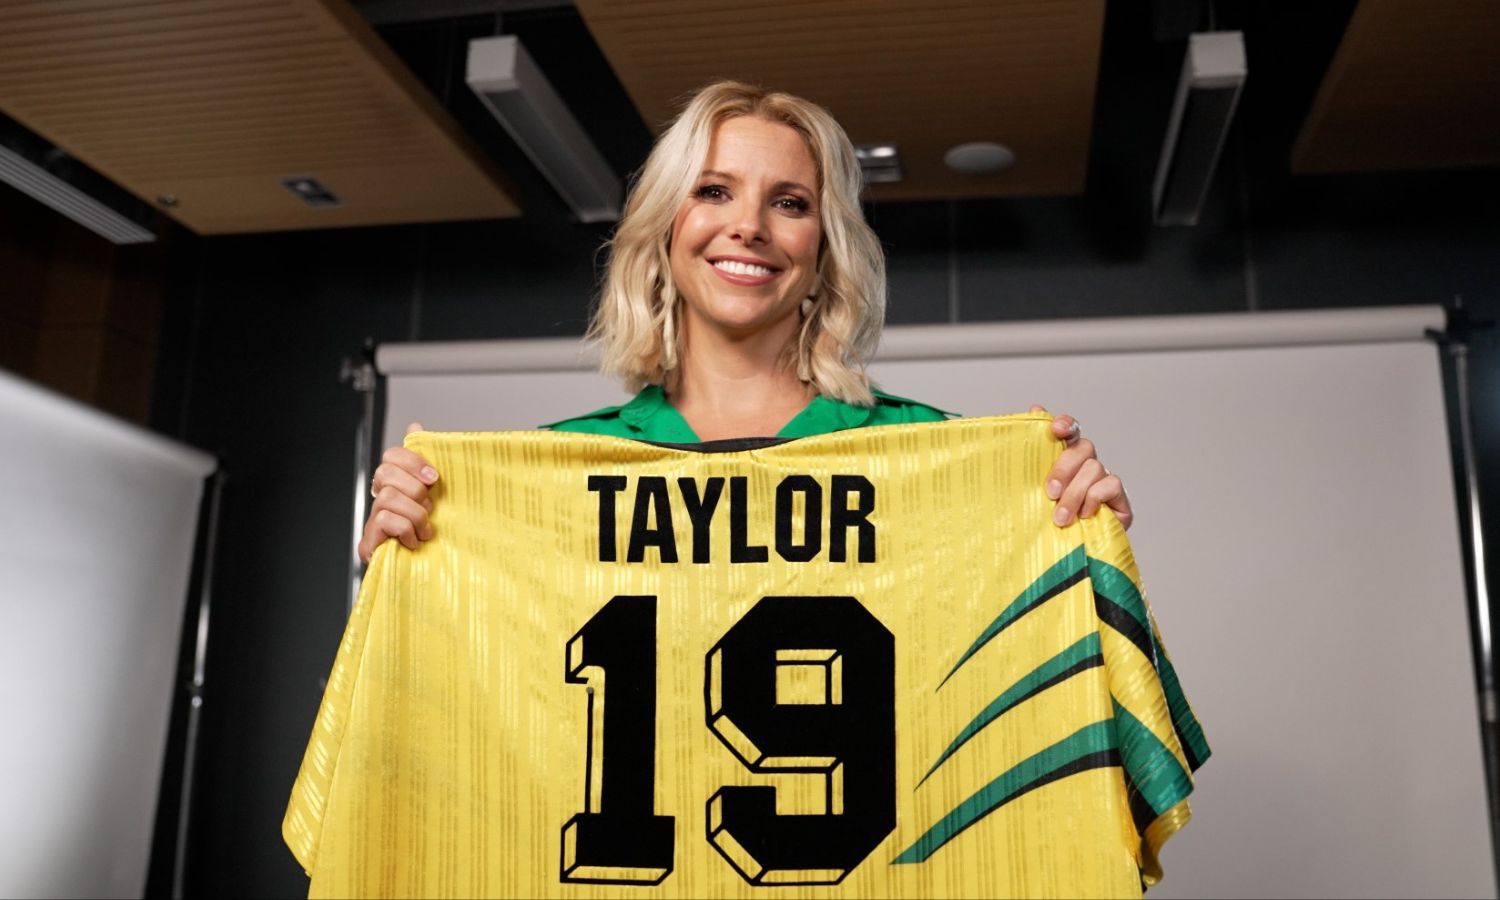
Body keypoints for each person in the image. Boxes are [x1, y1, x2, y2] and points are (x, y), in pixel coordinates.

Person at [358, 81, 1130, 563]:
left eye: (789, 203)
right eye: (713, 192)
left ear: (825, 251)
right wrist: (414, 560)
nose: (749, 226)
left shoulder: (930, 458)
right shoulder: (553, 476)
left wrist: (1077, 531)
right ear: (664, 228)